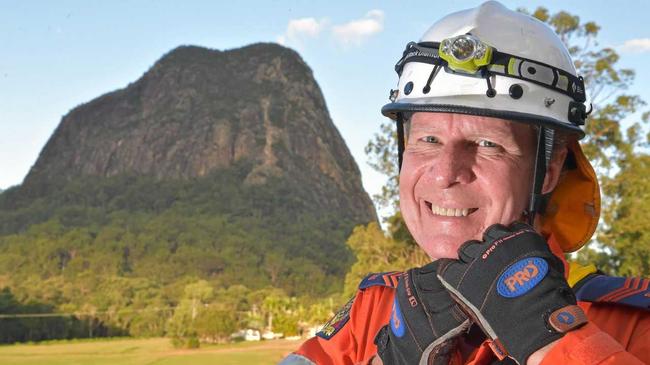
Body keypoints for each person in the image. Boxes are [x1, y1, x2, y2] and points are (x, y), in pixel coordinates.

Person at [280, 2, 650, 364]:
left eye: (487, 144)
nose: (444, 173)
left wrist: (552, 343)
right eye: (428, 139)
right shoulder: (373, 310)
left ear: (549, 171)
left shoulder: (631, 324)